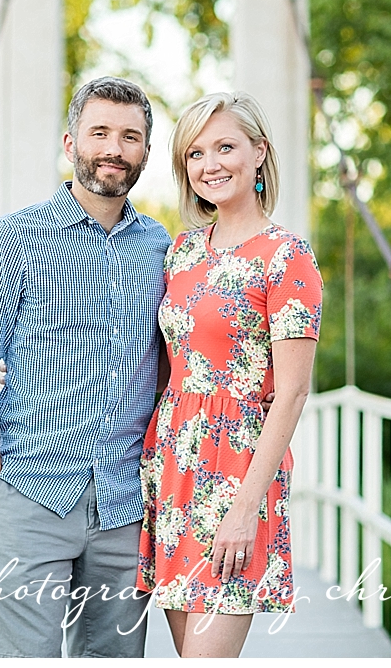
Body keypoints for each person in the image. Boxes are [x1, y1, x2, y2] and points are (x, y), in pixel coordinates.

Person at [0, 76, 173, 657]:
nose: (114, 149)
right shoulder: (11, 240)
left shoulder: (162, 247)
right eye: (99, 132)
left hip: (125, 503)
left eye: (130, 137)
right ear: (70, 144)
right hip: (29, 495)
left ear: (145, 151)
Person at [138, 91, 322, 657]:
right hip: (171, 467)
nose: (209, 165)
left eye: (225, 147)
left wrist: (246, 506)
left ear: (259, 152)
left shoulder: (287, 256)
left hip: (236, 473)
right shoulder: (182, 252)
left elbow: (291, 393)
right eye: (195, 153)